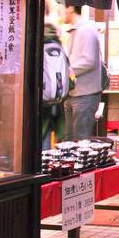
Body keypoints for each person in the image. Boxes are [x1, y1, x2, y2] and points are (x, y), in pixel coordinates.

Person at [62, 4, 103, 141]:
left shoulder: (86, 30)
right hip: (73, 93)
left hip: (84, 94)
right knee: (69, 139)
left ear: (70, 8)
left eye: (61, 8)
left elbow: (88, 60)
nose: (59, 13)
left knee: (80, 140)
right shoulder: (76, 30)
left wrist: (65, 71)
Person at [40, 18, 71, 146]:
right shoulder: (60, 48)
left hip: (41, 102)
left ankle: (40, 164)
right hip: (57, 102)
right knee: (47, 137)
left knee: (40, 137)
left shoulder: (38, 48)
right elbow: (70, 79)